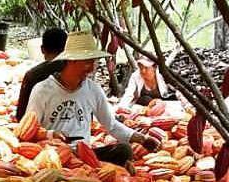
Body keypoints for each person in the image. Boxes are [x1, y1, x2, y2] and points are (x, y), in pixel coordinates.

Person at [24, 31, 159, 169]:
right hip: (53, 156)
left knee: (124, 150)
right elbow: (28, 130)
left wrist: (143, 139)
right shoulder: (42, 90)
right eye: (88, 62)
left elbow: (111, 125)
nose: (92, 68)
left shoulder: (93, 90)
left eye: (94, 62)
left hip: (85, 155)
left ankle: (103, 169)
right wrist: (51, 134)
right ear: (72, 61)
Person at [16, 28, 67, 121]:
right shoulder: (78, 73)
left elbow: (21, 116)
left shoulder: (32, 75)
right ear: (66, 49)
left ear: (42, 49)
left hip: (41, 131)